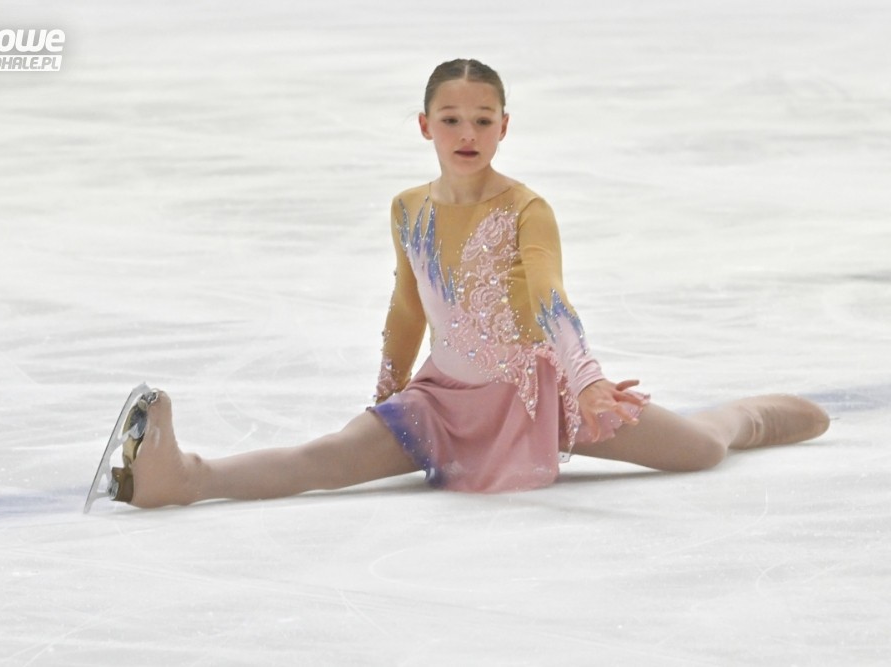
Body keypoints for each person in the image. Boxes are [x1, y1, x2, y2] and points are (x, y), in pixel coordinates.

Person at [85, 59, 829, 511]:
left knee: (698, 450)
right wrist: (386, 397)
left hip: (539, 397)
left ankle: (746, 416)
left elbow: (550, 298)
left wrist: (588, 382)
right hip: (441, 402)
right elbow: (408, 308)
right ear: (425, 125)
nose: (466, 133)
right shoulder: (408, 209)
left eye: (481, 119)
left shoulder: (527, 208)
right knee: (326, 459)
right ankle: (179, 478)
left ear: (504, 126)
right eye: (451, 119)